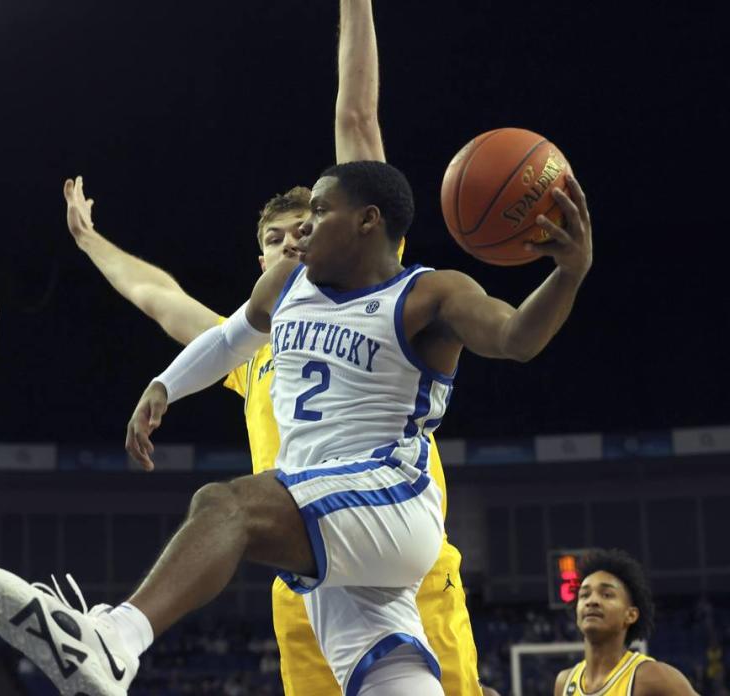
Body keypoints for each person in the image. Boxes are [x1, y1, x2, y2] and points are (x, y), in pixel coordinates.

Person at [0, 157, 592, 694]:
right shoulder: (286, 288)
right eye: (287, 230)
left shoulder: (427, 294)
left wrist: (567, 273)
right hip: (324, 537)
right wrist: (164, 385)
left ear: (368, 222)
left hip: (389, 500)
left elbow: (515, 337)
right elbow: (223, 337)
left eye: (317, 215)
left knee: (226, 504)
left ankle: (115, 638)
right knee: (393, 677)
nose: (303, 234)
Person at [58, 1, 491, 693]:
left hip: (395, 558)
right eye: (275, 237)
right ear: (259, 260)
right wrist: (89, 241)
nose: (293, 239)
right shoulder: (251, 352)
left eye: (306, 225)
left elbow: (357, 121)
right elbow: (156, 296)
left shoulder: (378, 288)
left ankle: (119, 637)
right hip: (299, 578)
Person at [554, 549, 699, 696]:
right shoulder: (564, 683)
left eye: (607, 595)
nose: (592, 601)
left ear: (630, 615)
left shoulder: (651, 677)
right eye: (584, 595)